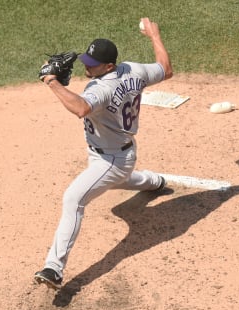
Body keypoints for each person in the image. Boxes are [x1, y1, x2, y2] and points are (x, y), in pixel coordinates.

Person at [34, 17, 173, 290]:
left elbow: (81, 109)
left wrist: (52, 82)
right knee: (119, 179)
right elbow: (166, 70)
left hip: (111, 159)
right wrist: (155, 37)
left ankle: (54, 268)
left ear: (109, 66)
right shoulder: (133, 69)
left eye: (92, 64)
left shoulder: (103, 88)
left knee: (74, 199)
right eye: (86, 60)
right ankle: (154, 182)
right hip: (118, 155)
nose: (86, 65)